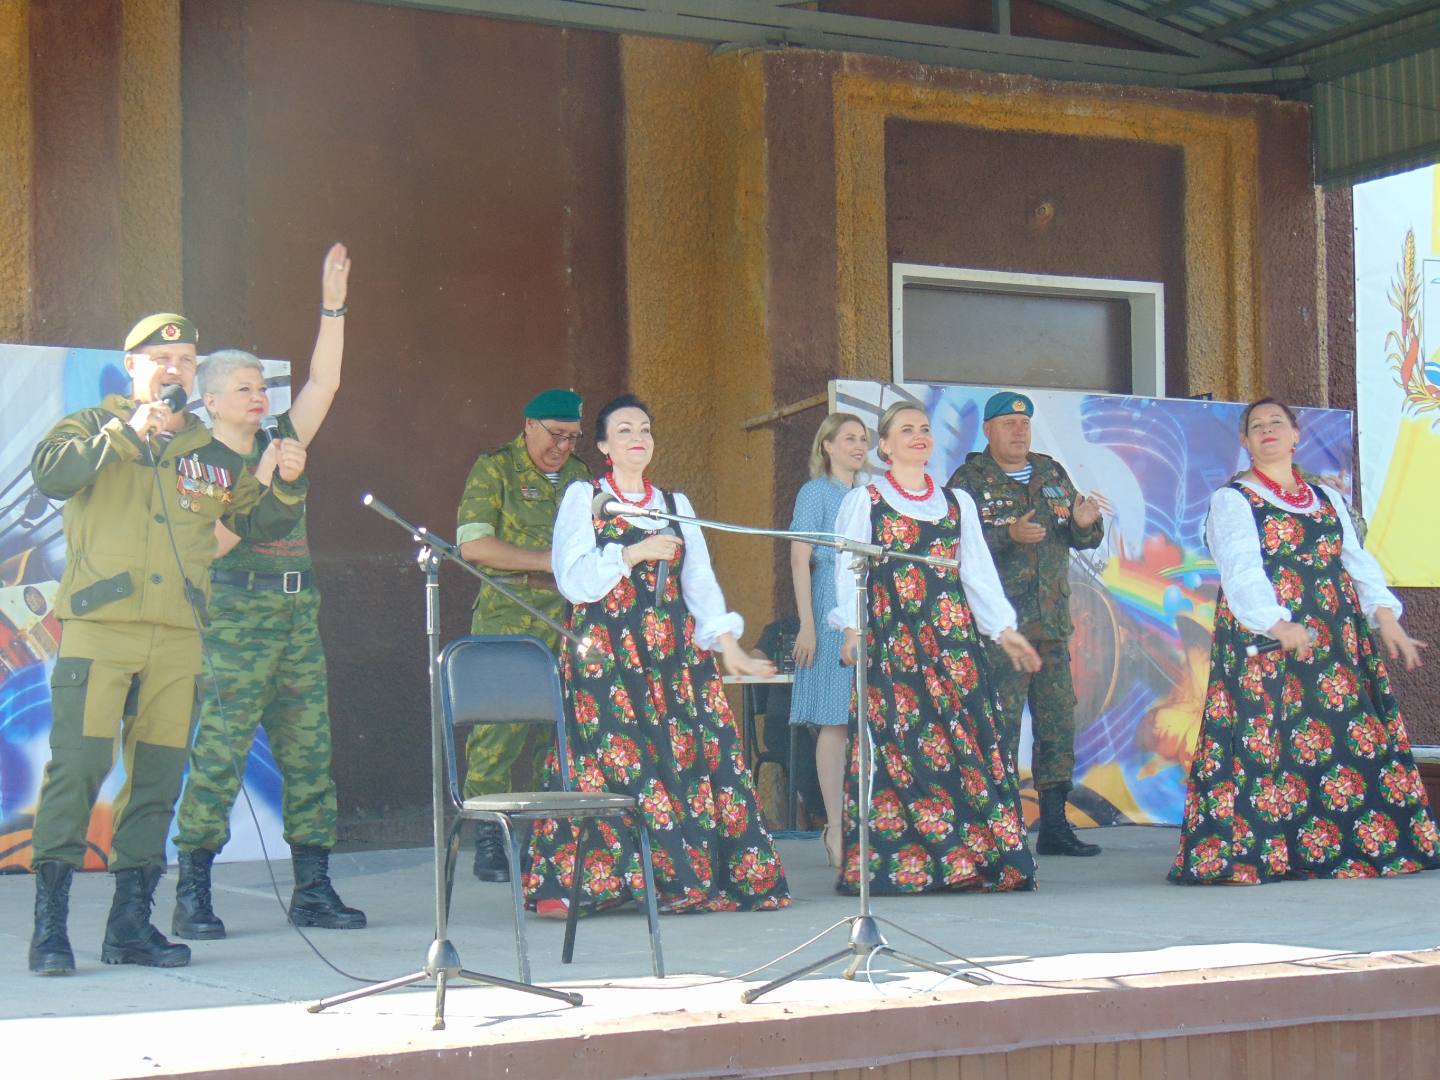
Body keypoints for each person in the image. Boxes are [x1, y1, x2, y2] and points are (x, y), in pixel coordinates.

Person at [27, 313, 309, 975]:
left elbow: (258, 520)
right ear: (132, 366)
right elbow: (52, 476)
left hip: (178, 637)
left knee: (156, 781)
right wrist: (127, 433)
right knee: (77, 771)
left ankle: (130, 925)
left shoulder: (209, 451)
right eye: (160, 359)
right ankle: (50, 929)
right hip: (101, 631)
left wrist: (286, 480)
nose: (174, 369)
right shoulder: (91, 427)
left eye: (184, 359)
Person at [525, 394, 790, 914]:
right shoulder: (586, 497)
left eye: (644, 428)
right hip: (607, 653)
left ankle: (682, 880)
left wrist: (729, 647)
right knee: (611, 758)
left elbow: (700, 581)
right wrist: (632, 552)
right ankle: (588, 882)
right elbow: (573, 580)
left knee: (689, 755)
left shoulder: (674, 504)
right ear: (603, 445)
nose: (637, 437)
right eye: (624, 429)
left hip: (671, 653)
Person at [170, 245, 364, 939]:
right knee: (219, 756)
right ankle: (193, 889)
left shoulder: (281, 433)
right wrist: (266, 480)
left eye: (262, 387)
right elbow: (210, 545)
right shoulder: (199, 461)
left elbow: (325, 382)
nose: (260, 397)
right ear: (212, 400)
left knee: (310, 754)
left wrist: (333, 306)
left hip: (295, 614)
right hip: (237, 614)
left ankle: (313, 886)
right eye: (245, 388)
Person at [1171, 398, 1439, 885]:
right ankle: (1265, 853)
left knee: (1342, 734)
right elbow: (1241, 570)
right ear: (1245, 441)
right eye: (1256, 426)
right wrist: (1278, 625)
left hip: (1334, 641)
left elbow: (1356, 562)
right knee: (1269, 739)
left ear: (1296, 435)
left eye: (1277, 422)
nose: (1267, 430)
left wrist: (1387, 619)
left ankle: (1349, 847)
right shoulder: (1234, 500)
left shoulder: (1326, 497)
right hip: (1268, 645)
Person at [833, 401, 1041, 894]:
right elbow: (848, 569)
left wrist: (1003, 629)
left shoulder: (955, 502)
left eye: (924, 428)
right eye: (906, 430)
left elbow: (977, 571)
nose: (918, 436)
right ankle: (919, 860)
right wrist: (852, 629)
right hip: (894, 642)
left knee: (963, 740)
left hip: (951, 642)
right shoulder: (867, 501)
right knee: (903, 746)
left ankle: (972, 856)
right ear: (885, 446)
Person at [949, 391, 1107, 858]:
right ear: (988, 431)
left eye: (1024, 424)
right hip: (999, 633)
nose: (1019, 431)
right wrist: (1007, 535)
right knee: (997, 728)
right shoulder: (969, 480)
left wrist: (1084, 523)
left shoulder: (1050, 472)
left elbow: (1082, 535)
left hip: (1051, 627)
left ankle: (1054, 825)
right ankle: (998, 829)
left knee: (1057, 726)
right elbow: (953, 544)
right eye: (1008, 424)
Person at [456, 389, 591, 881]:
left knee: (559, 732)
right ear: (529, 425)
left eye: (572, 437)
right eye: (555, 435)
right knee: (499, 729)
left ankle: (545, 840)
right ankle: (489, 837)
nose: (562, 447)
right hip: (508, 615)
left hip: (567, 617)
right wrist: (546, 562)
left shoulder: (579, 476)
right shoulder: (495, 468)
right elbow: (473, 545)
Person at [788, 412, 869, 866]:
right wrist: (807, 624)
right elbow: (800, 558)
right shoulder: (816, 492)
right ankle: (836, 827)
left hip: (866, 603)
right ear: (827, 445)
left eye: (863, 439)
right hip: (828, 605)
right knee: (836, 718)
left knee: (869, 718)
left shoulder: (869, 494)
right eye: (849, 438)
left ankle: (868, 825)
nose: (858, 446)